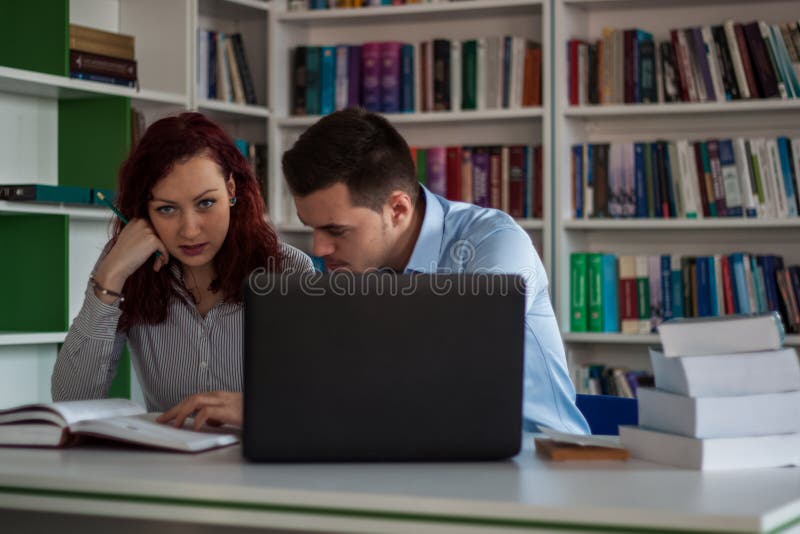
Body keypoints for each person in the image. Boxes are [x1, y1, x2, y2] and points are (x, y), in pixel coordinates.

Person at [281, 108, 589, 434]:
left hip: (540, 461)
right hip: (427, 457)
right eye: (311, 229)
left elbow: (457, 377)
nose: (318, 249)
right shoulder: (355, 267)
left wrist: (296, 407)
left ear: (397, 209)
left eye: (336, 231)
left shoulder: (496, 243)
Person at [52, 112, 313, 430]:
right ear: (143, 212)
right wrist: (110, 276)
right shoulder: (129, 270)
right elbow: (71, 400)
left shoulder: (287, 271)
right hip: (168, 471)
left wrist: (258, 409)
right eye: (166, 209)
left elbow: (320, 404)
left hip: (260, 470)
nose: (189, 231)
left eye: (205, 203)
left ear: (231, 188)